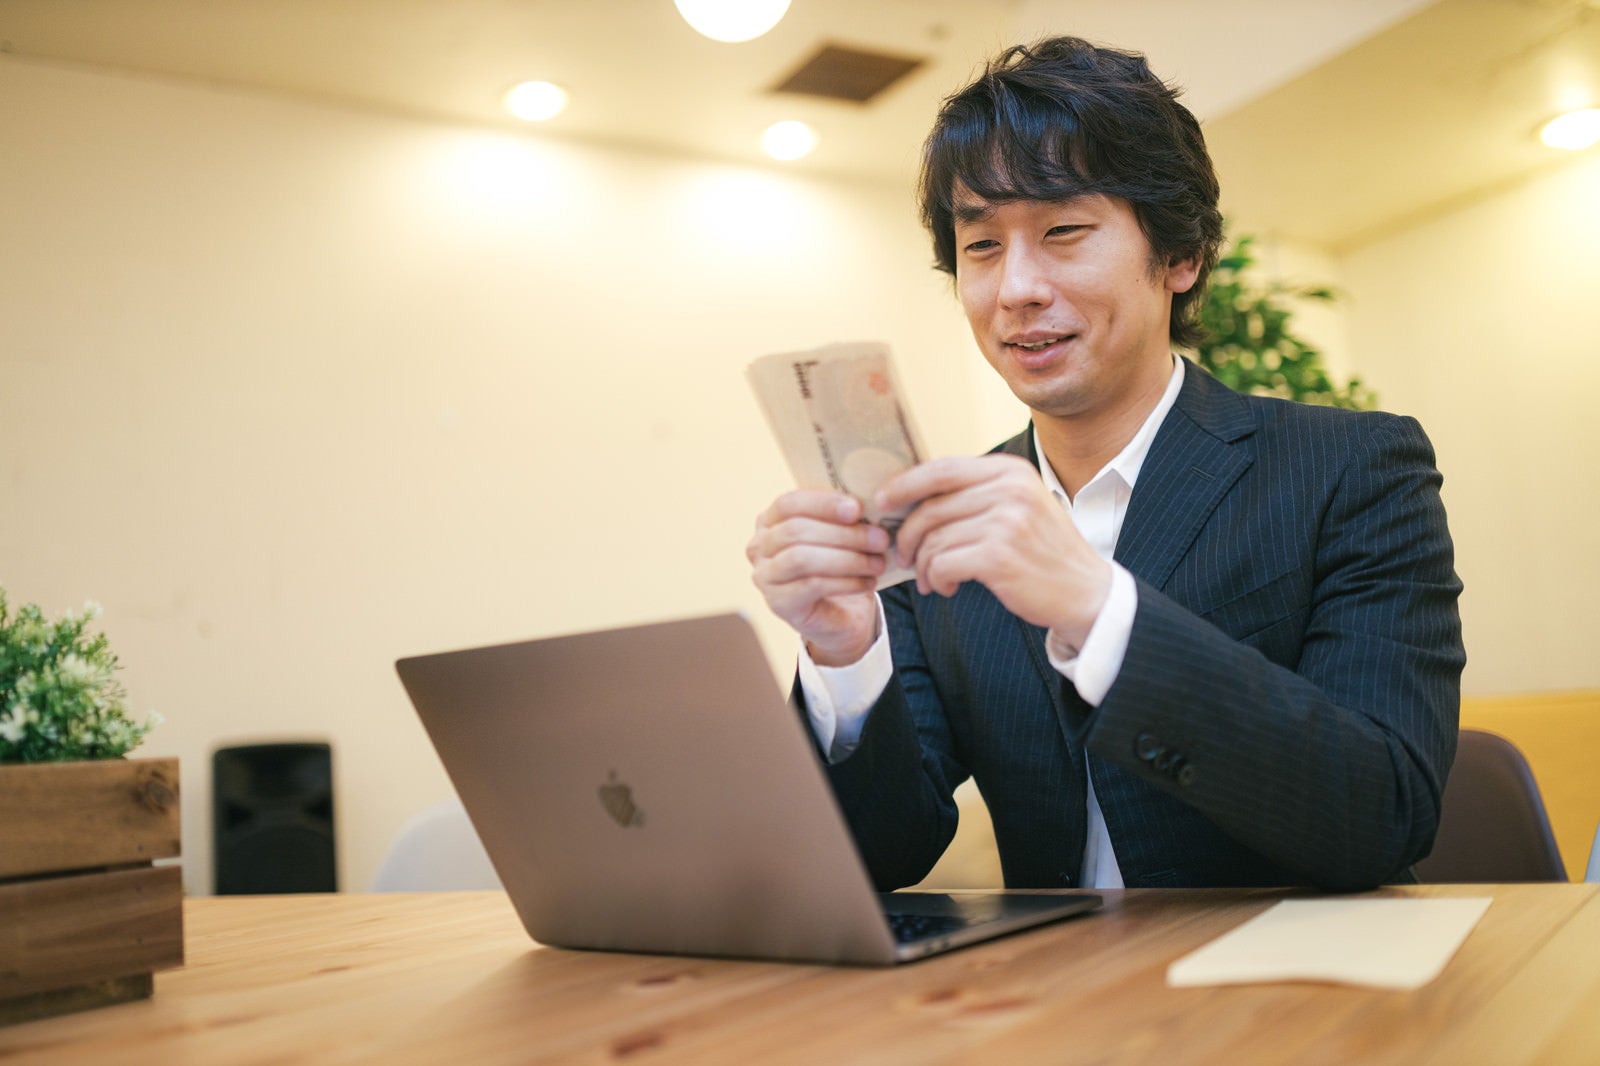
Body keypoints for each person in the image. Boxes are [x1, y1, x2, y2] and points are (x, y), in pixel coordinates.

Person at [745, 37, 1464, 892]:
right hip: (1062, 1001)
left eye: (1064, 231)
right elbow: (880, 855)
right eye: (981, 247)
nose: (1016, 288)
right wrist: (845, 653)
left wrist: (1096, 607)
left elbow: (1380, 813)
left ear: (1180, 256)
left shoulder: (1353, 468)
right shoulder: (946, 522)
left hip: (1298, 998)